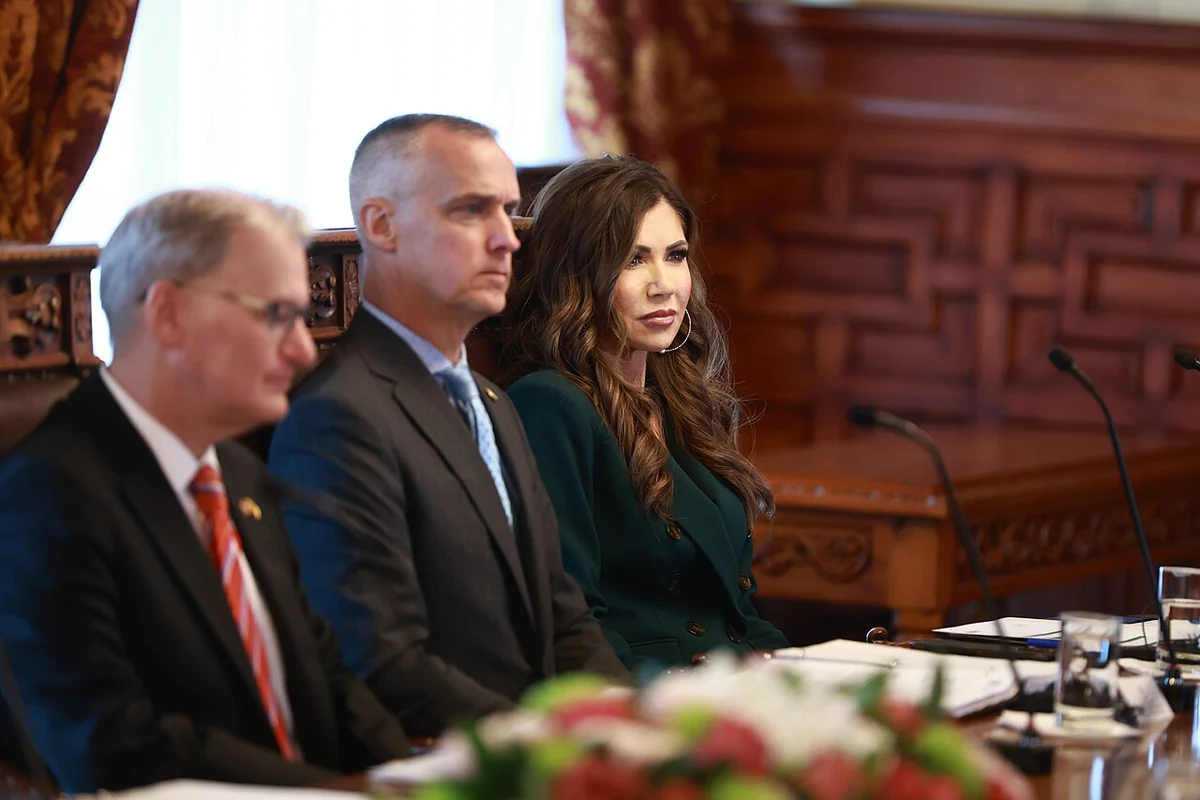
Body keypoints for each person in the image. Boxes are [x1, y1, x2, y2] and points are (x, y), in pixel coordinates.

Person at [0, 189, 411, 793]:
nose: (303, 349)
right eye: (276, 314)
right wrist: (346, 794)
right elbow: (113, 745)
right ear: (167, 314)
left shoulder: (238, 474)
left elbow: (326, 674)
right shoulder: (47, 495)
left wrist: (420, 781)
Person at [268, 114, 629, 738]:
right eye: (471, 210)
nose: (507, 239)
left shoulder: (491, 400)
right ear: (381, 225)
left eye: (508, 210)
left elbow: (562, 612)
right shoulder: (337, 416)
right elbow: (383, 662)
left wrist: (632, 724)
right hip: (444, 757)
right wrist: (548, 742)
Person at [501, 156, 789, 672]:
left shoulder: (679, 398)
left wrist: (806, 677)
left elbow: (739, 612)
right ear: (575, 273)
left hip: (733, 684)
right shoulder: (550, 403)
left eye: (675, 256)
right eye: (633, 260)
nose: (664, 285)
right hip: (647, 694)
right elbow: (570, 621)